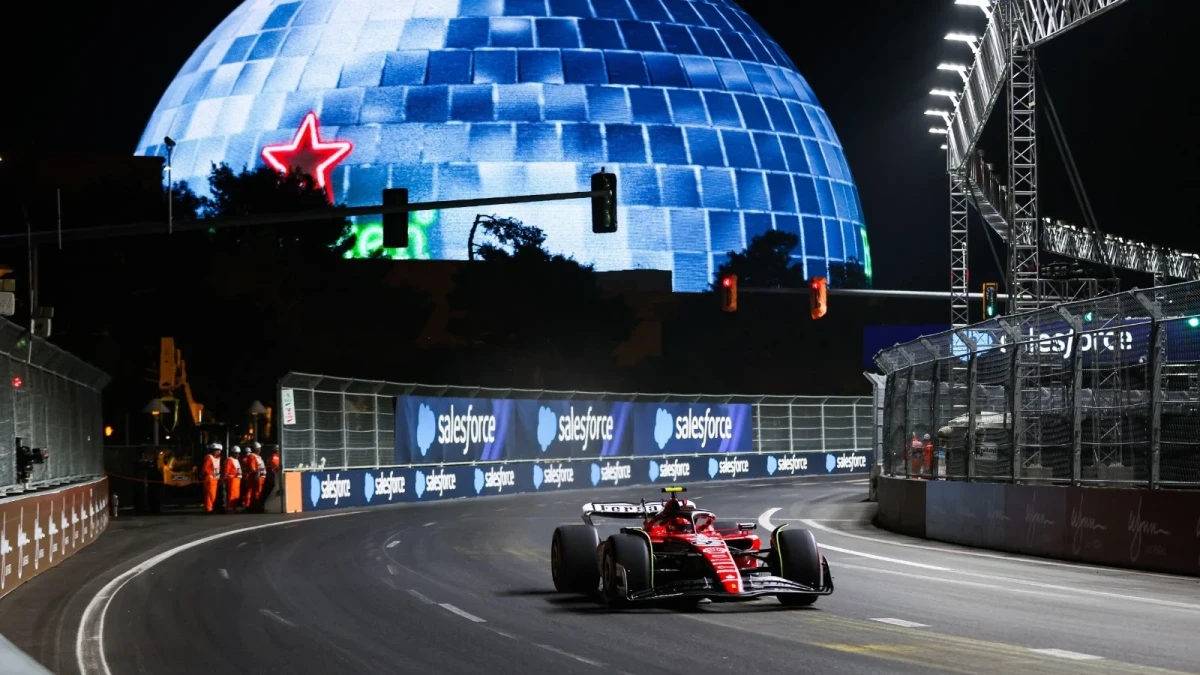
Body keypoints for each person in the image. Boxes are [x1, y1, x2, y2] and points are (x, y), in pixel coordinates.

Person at [243, 443, 266, 511]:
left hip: (260, 476)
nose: (260, 450)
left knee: (258, 491)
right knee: (256, 492)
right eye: (258, 449)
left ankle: (256, 505)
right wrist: (257, 473)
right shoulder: (252, 456)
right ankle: (254, 506)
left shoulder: (258, 456)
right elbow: (253, 468)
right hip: (256, 476)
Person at [202, 443, 222, 513]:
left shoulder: (217, 458)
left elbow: (218, 468)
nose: (218, 452)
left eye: (219, 450)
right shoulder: (209, 457)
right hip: (209, 478)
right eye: (216, 450)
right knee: (209, 495)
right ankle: (208, 509)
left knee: (213, 495)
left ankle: (210, 508)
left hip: (215, 479)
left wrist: (218, 478)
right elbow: (205, 468)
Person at [222, 446, 243, 513]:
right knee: (231, 494)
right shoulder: (229, 460)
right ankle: (230, 508)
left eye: (238, 453)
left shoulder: (236, 460)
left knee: (236, 495)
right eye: (236, 453)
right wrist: (225, 478)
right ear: (232, 453)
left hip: (237, 480)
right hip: (232, 480)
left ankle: (234, 507)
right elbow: (226, 471)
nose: (237, 455)